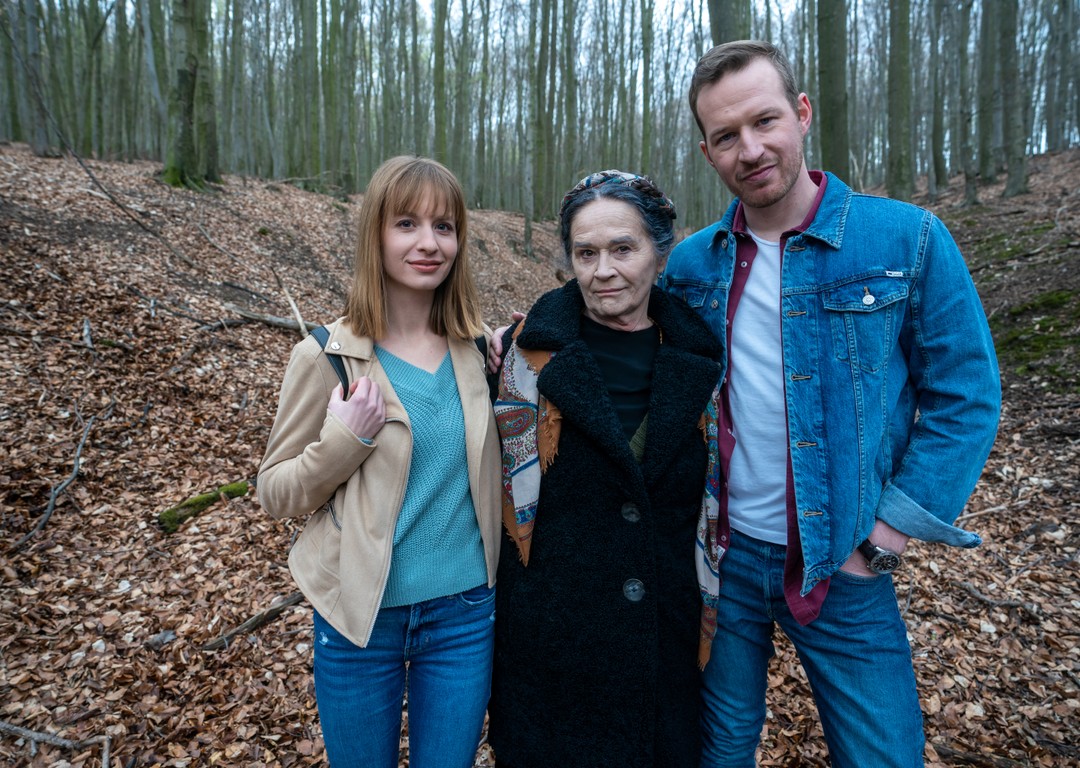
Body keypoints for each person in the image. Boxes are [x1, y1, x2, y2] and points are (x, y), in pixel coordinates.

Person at [661, 41, 1002, 767]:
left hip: (842, 559)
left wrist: (887, 535)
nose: (751, 149)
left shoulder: (905, 239)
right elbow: (633, 354)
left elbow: (967, 396)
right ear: (707, 151)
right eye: (727, 136)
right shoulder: (692, 265)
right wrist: (525, 344)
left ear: (803, 113)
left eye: (765, 121)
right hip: (723, 560)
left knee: (882, 753)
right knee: (719, 747)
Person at [257, 155, 501, 768]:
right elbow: (274, 493)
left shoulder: (478, 351)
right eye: (407, 224)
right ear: (377, 234)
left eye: (444, 226)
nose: (429, 243)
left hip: (465, 616)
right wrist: (344, 441)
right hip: (358, 619)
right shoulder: (326, 356)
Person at [485, 170, 723, 768]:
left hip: (664, 647)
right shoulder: (520, 357)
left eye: (623, 249)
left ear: (660, 254)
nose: (603, 270)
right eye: (585, 253)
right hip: (550, 650)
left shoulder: (702, 355)